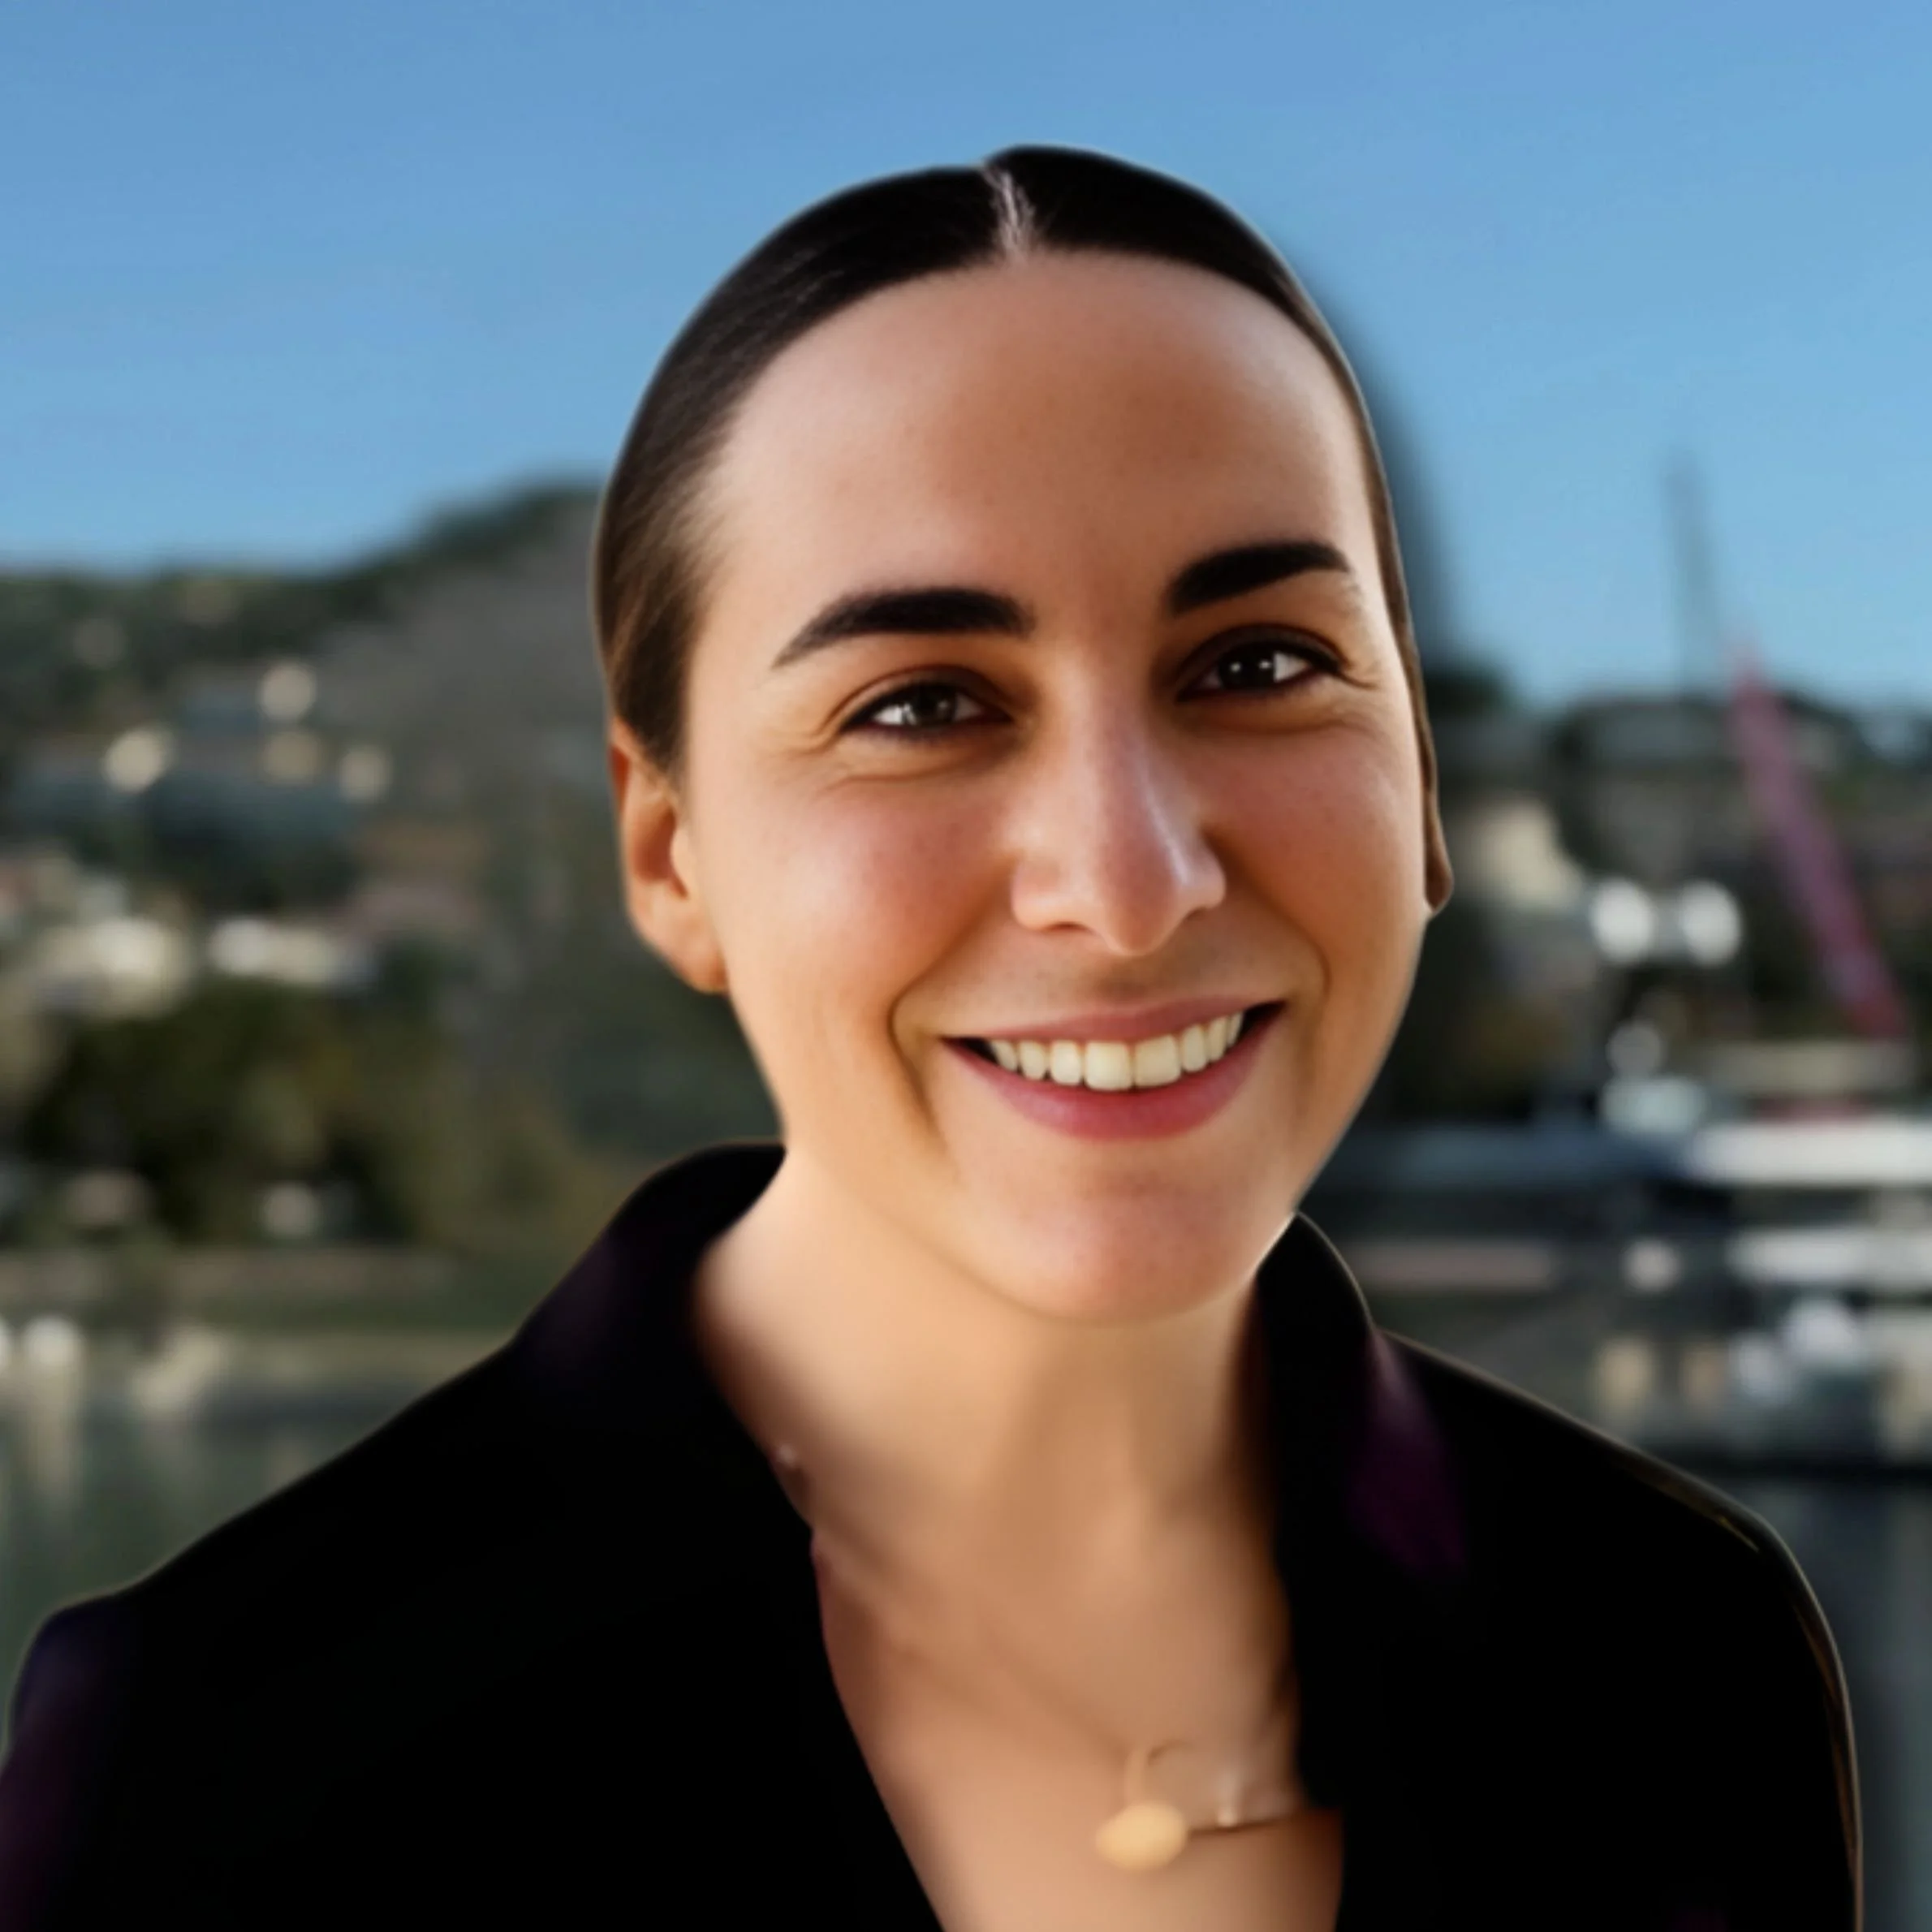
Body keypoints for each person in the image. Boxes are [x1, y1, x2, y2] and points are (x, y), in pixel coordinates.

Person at [0, 147, 1857, 1930]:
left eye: (1256, 664)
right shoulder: (229, 1751)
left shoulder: (1677, 1648)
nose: (1127, 882)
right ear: (671, 855)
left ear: (1425, 786)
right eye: (922, 703)